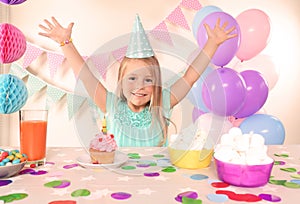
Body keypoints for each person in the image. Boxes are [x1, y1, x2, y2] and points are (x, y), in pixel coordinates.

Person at [38, 14, 237, 147]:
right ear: (121, 81)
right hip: (118, 181)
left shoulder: (163, 102)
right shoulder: (111, 104)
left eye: (147, 79)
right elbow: (86, 76)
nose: (139, 86)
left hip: (157, 180)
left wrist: (212, 44)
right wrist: (65, 43)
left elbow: (190, 76)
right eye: (132, 78)